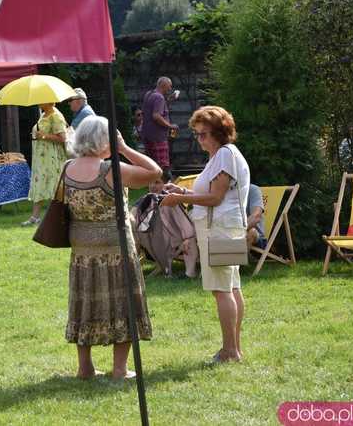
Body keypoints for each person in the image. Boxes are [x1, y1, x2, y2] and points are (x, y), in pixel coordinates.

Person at [64, 116, 161, 379]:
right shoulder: (111, 169)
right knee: (122, 301)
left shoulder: (66, 168)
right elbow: (155, 173)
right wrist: (125, 148)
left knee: (85, 303)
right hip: (116, 246)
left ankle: (85, 367)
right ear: (104, 140)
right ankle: (119, 369)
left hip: (82, 248)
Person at [161, 106, 249, 363]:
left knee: (222, 289)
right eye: (197, 134)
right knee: (231, 287)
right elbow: (213, 195)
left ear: (220, 132)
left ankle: (230, 350)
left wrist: (178, 197)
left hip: (218, 228)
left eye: (204, 134)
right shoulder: (221, 156)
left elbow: (216, 197)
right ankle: (233, 348)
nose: (200, 139)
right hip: (225, 226)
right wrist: (184, 193)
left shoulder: (223, 155)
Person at [132, 172, 198, 278]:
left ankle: (189, 273)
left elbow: (182, 220)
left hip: (177, 238)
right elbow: (133, 215)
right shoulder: (146, 200)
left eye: (157, 182)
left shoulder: (172, 199)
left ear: (165, 184)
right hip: (154, 240)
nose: (153, 186)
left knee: (189, 240)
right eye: (150, 183)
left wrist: (186, 237)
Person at [22, 102, 68, 226]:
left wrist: (44, 136)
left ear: (48, 100)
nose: (38, 102)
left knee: (55, 185)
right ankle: (35, 217)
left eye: (41, 99)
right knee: (40, 184)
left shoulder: (56, 116)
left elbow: (63, 138)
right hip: (41, 159)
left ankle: (59, 216)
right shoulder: (43, 115)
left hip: (52, 159)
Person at [141, 77, 179, 172]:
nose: (170, 89)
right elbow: (156, 116)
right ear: (164, 85)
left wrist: (169, 100)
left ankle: (152, 185)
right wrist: (171, 126)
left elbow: (153, 111)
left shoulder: (149, 94)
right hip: (158, 138)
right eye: (169, 86)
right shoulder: (159, 97)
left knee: (151, 165)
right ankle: (161, 186)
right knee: (161, 167)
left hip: (148, 136)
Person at [246, 184, 267, 249]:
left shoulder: (252, 190)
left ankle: (240, 258)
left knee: (252, 232)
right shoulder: (225, 192)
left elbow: (256, 217)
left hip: (256, 238)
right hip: (230, 235)